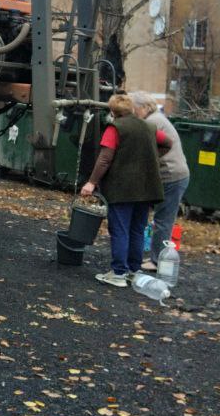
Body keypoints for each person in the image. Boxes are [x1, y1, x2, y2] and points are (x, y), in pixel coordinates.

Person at [80, 93, 166, 288]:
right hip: (146, 187)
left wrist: (91, 183)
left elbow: (104, 159)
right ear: (132, 109)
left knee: (120, 229)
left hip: (123, 188)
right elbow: (167, 142)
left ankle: (118, 273)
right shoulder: (149, 127)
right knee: (137, 229)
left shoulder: (115, 128)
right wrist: (151, 157)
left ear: (112, 111)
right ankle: (133, 272)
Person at [129, 91, 189, 272]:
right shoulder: (157, 119)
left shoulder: (151, 122)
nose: (133, 112)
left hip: (171, 176)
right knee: (162, 219)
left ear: (145, 107)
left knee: (163, 220)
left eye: (135, 108)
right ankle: (157, 257)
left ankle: (157, 261)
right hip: (174, 175)